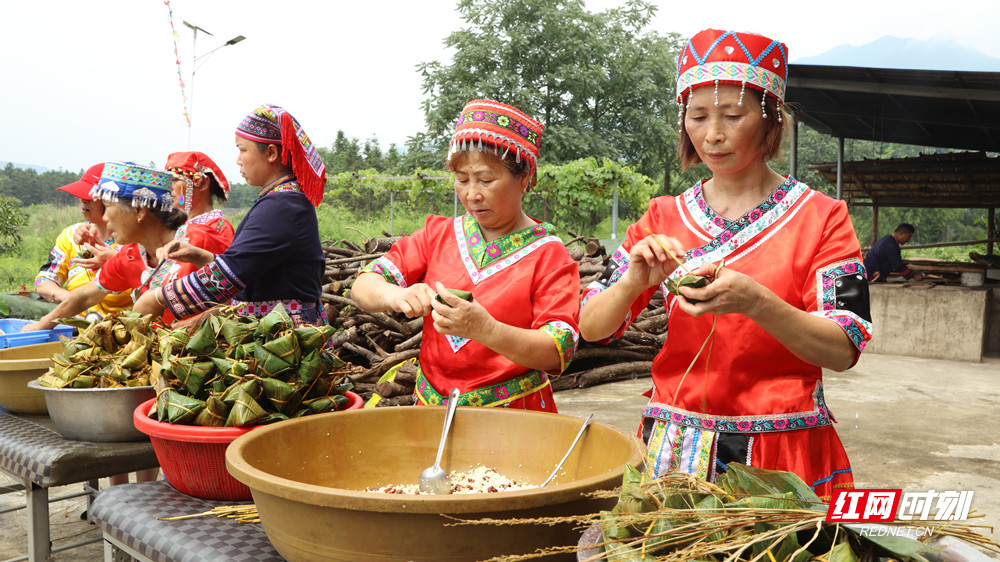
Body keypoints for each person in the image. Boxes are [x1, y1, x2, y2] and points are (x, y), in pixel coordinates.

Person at [578, 29, 873, 500]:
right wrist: (633, 279)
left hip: (780, 453)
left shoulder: (822, 218)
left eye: (732, 115)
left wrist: (757, 302)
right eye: (697, 116)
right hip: (674, 450)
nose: (712, 134)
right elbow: (591, 328)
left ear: (771, 117)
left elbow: (843, 349)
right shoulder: (663, 217)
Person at [350, 99, 580, 412]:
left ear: (524, 178)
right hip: (432, 409)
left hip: (514, 416)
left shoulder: (548, 255)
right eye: (461, 179)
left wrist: (487, 330)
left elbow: (557, 350)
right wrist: (398, 295)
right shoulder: (438, 235)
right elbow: (363, 286)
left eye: (486, 180)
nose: (472, 194)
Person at [133, 104, 328, 327]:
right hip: (272, 328)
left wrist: (158, 298)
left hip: (283, 337)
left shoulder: (283, 206)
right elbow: (247, 268)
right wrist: (199, 256)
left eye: (242, 149)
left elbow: (230, 274)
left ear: (272, 153)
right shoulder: (281, 201)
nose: (238, 160)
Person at [23, 161, 233, 331]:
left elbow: (235, 303)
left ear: (140, 211)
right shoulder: (130, 255)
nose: (104, 217)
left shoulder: (203, 241)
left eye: (109, 207)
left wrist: (186, 327)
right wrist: (41, 324)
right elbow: (86, 295)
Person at [34, 163, 131, 321]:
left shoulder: (133, 243)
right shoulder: (70, 235)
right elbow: (44, 280)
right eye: (81, 196)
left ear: (113, 201)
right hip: (74, 331)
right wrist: (68, 298)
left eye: (90, 197)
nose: (83, 201)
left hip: (119, 333)